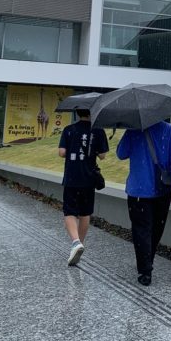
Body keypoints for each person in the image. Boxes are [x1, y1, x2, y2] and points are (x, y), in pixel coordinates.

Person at [117, 120, 171, 286]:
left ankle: (145, 270)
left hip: (139, 190)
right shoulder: (170, 130)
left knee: (141, 230)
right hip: (162, 189)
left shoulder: (134, 129)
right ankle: (147, 261)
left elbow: (121, 153)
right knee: (156, 229)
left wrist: (129, 131)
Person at [57, 107, 109, 266]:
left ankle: (76, 243)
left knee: (69, 211)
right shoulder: (98, 130)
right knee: (85, 212)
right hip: (88, 179)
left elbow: (61, 152)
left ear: (77, 112)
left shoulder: (69, 129)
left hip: (72, 177)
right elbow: (102, 155)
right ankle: (79, 244)